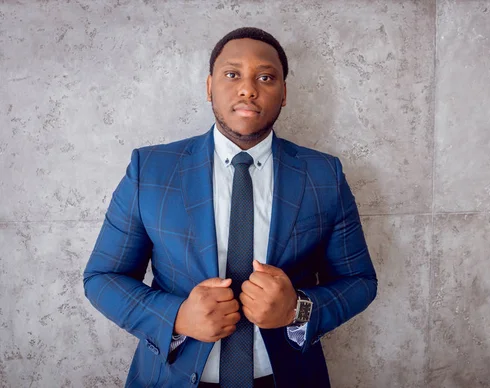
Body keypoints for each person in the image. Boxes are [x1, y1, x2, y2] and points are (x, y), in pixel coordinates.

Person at [83, 27, 377, 388]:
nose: (248, 89)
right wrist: (177, 316)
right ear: (209, 86)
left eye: (266, 77)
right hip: (171, 377)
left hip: (287, 378)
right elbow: (102, 278)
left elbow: (359, 282)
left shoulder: (323, 175)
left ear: (283, 93)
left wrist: (296, 309)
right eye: (232, 74)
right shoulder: (152, 170)